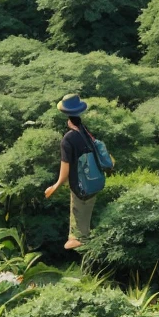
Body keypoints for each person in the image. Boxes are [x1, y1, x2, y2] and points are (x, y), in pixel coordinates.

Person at [44, 94, 98, 250]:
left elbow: (65, 170)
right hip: (94, 181)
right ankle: (85, 236)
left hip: (80, 184)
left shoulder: (68, 139)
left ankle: (78, 239)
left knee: (76, 211)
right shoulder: (86, 133)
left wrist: (55, 187)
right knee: (85, 212)